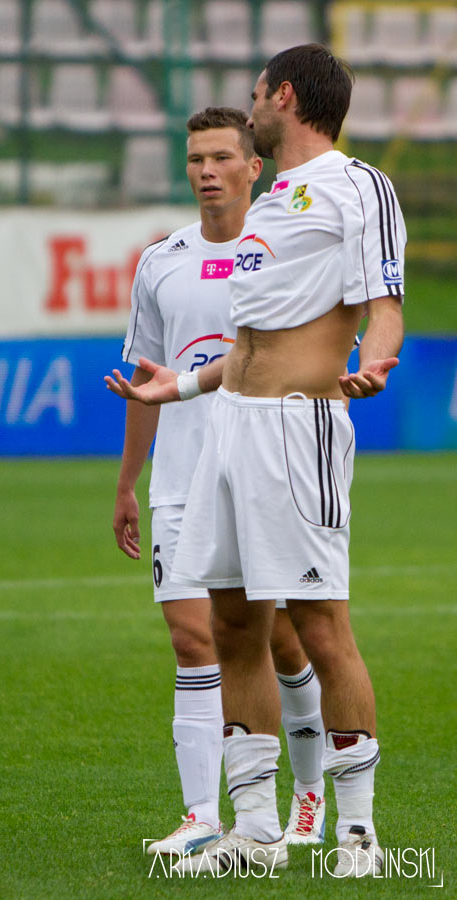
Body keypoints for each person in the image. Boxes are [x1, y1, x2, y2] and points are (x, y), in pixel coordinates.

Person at [106, 45, 406, 878]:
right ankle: (253, 834)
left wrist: (379, 360)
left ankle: (358, 836)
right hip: (229, 427)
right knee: (235, 624)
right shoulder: (272, 204)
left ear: (286, 96)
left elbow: (384, 301)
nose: (249, 110)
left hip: (296, 429)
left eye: (255, 96)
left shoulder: (358, 185)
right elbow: (249, 343)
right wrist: (180, 386)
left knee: (320, 625)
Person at [114, 106, 327, 861]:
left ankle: (309, 793)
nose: (206, 171)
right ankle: (203, 815)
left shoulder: (282, 249)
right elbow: (146, 378)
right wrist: (128, 482)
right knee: (191, 637)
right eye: (195, 159)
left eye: (220, 157)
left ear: (253, 166)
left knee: (281, 639)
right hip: (179, 477)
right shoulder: (161, 261)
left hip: (263, 469)